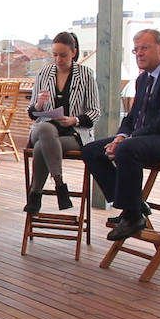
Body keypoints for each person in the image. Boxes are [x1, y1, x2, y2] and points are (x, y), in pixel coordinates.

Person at [82, 29, 160, 241]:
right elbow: (131, 117)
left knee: (127, 149)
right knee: (91, 150)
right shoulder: (143, 79)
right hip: (149, 138)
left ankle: (133, 215)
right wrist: (121, 136)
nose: (139, 54)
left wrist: (127, 140)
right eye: (136, 50)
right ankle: (132, 204)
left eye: (145, 48)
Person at [23, 32, 101, 214]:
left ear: (74, 52)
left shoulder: (86, 75)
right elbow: (32, 113)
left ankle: (35, 194)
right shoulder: (43, 73)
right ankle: (59, 184)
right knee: (44, 128)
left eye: (63, 55)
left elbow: (95, 112)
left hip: (72, 133)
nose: (58, 59)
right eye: (55, 55)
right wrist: (39, 104)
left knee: (43, 145)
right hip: (44, 127)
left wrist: (74, 119)